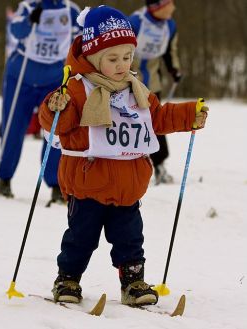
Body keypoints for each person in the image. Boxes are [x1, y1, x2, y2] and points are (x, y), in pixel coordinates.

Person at [38, 5, 208, 306]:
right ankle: (68, 278)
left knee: (130, 240)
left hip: (128, 186)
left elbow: (158, 117)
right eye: (113, 59)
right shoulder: (78, 90)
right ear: (92, 57)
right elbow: (59, 126)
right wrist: (55, 106)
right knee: (80, 238)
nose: (122, 65)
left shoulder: (136, 90)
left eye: (127, 57)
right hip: (88, 184)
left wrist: (187, 115)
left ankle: (134, 282)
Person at [0, 0, 81, 202]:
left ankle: (55, 184)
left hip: (52, 77)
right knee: (13, 128)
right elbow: (16, 30)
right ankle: (4, 178)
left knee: (54, 130)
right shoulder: (29, 6)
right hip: (22, 75)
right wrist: (29, 20)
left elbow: (81, 41)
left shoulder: (71, 10)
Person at [129, 0, 182, 185]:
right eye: (170, 4)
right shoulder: (136, 22)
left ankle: (158, 164)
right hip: (129, 83)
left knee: (156, 123)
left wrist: (174, 69)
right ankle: (127, 165)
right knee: (130, 123)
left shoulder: (170, 25)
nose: (173, 8)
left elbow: (169, 50)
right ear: (157, 7)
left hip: (152, 83)